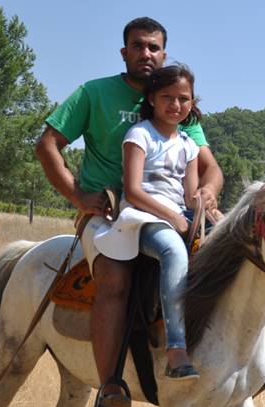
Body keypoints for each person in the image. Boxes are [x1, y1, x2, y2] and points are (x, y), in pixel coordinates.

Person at [35, 17, 265, 407]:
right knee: (115, 278)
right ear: (124, 52)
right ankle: (111, 385)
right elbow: (47, 144)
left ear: (163, 53)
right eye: (138, 46)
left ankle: (259, 351)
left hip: (171, 210)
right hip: (111, 213)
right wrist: (78, 196)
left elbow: (210, 169)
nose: (146, 53)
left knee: (242, 250)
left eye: (153, 47)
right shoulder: (93, 94)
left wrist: (206, 193)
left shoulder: (175, 101)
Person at [95, 64, 201, 381]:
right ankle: (176, 348)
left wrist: (207, 205)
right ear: (152, 98)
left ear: (192, 103)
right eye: (167, 96)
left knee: (241, 242)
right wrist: (172, 217)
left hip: (178, 215)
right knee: (173, 252)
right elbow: (133, 190)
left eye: (184, 98)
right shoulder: (140, 134)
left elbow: (190, 194)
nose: (176, 105)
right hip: (142, 218)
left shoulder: (189, 145)